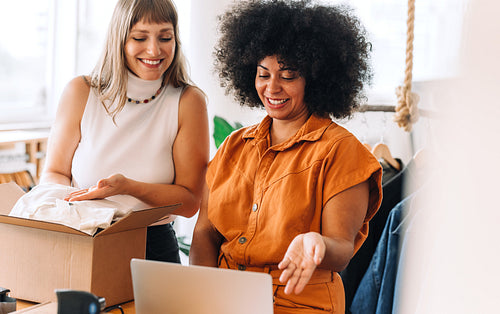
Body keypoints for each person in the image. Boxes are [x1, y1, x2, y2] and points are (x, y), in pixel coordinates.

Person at [189, 0, 382, 312]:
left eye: (288, 75)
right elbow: (204, 231)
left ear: (315, 79)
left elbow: (342, 248)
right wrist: (200, 295)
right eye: (263, 74)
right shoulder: (233, 146)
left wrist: (317, 245)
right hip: (223, 298)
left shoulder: (341, 150)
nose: (272, 87)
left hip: (298, 301)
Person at [40, 0, 209, 263]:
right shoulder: (81, 92)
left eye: (165, 37)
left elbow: (189, 201)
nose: (154, 50)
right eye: (140, 38)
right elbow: (55, 172)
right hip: (83, 237)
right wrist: (69, 204)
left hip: (151, 246)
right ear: (119, 40)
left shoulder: (187, 101)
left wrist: (128, 188)